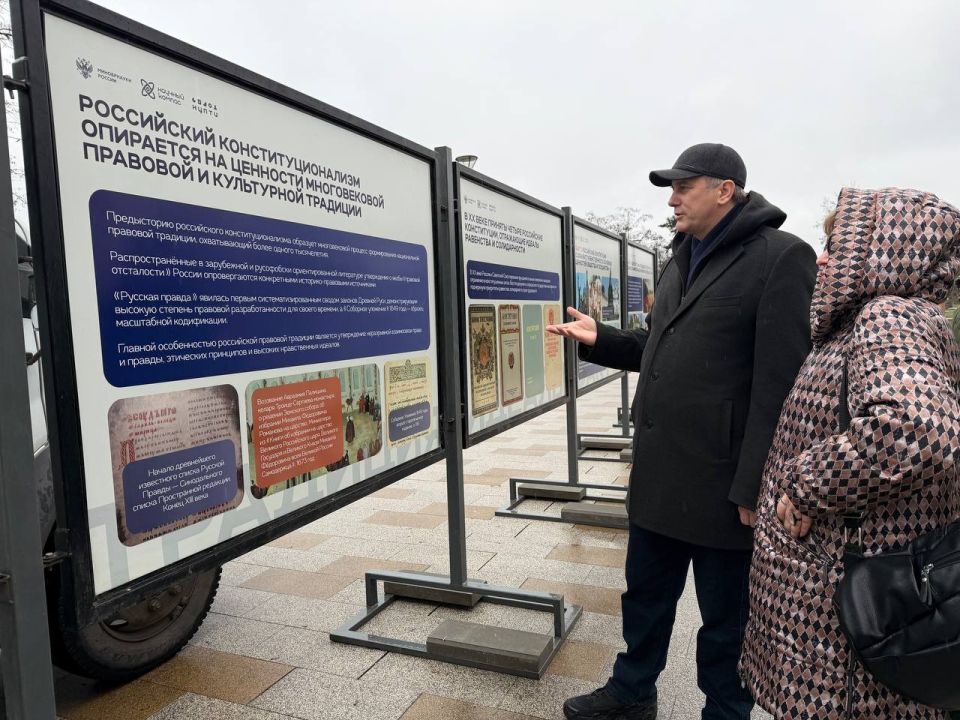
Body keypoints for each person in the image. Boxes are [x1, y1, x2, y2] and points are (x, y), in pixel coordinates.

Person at [552, 143, 817, 720]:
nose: (671, 200)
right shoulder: (680, 255)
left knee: (727, 621)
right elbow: (657, 345)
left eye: (683, 187)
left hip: (724, 483)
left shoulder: (781, 257)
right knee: (644, 598)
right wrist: (603, 339)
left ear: (725, 190)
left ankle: (725, 709)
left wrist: (756, 485)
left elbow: (782, 386)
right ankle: (631, 693)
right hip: (660, 473)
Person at [740, 187, 960, 719]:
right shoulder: (878, 319)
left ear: (888, 252)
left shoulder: (887, 317)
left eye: (836, 248)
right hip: (837, 600)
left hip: (841, 620)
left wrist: (804, 486)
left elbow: (916, 428)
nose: (822, 261)